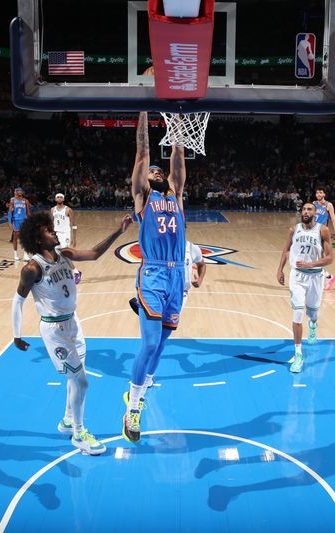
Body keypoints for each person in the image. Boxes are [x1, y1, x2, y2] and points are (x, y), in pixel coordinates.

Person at [11, 211, 132, 455]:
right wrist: (17, 335)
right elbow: (17, 301)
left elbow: (95, 254)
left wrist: (119, 231)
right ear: (37, 239)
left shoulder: (64, 255)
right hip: (54, 330)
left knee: (75, 377)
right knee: (81, 382)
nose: (53, 231)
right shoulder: (32, 268)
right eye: (48, 230)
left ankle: (67, 419)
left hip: (74, 323)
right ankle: (78, 433)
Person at [122, 110, 187, 443]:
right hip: (153, 274)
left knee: (161, 346)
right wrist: (146, 108)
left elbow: (176, 153)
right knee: (148, 342)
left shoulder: (175, 193)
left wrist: (177, 116)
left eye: (159, 171)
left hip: (178, 277)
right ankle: (133, 405)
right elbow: (143, 152)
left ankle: (142, 391)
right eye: (151, 172)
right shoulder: (142, 198)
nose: (155, 171)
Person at [276, 202, 333, 373]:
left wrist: (311, 264)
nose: (306, 212)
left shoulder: (323, 230)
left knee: (313, 313)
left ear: (315, 213)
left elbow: (330, 258)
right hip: (297, 276)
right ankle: (298, 353)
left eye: (309, 209)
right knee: (298, 312)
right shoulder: (294, 230)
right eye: (304, 209)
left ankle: (313, 324)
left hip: (316, 276)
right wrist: (280, 269)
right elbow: (286, 250)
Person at [313, 187, 335, 291]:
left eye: (320, 192)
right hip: (313, 233)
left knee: (316, 259)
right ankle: (328, 277)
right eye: (317, 192)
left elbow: (334, 222)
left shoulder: (328, 205)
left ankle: (327, 277)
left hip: (322, 233)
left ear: (324, 194)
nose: (318, 194)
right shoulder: (313, 204)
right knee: (316, 259)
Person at [51, 193, 82, 284]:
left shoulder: (68, 210)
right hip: (56, 234)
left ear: (63, 199)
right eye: (58, 197)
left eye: (61, 197)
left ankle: (76, 272)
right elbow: (51, 224)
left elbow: (74, 224)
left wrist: (74, 238)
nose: (59, 198)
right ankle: (64, 273)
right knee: (55, 255)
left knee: (65, 254)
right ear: (55, 199)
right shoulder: (52, 210)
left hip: (66, 234)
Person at [7, 187, 31, 261]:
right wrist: (10, 222)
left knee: (25, 237)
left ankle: (26, 254)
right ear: (16, 192)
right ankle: (15, 253)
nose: (20, 192)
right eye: (18, 191)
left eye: (21, 191)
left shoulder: (26, 201)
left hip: (24, 220)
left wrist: (31, 220)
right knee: (15, 237)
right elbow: (10, 212)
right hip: (16, 220)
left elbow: (28, 212)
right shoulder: (13, 200)